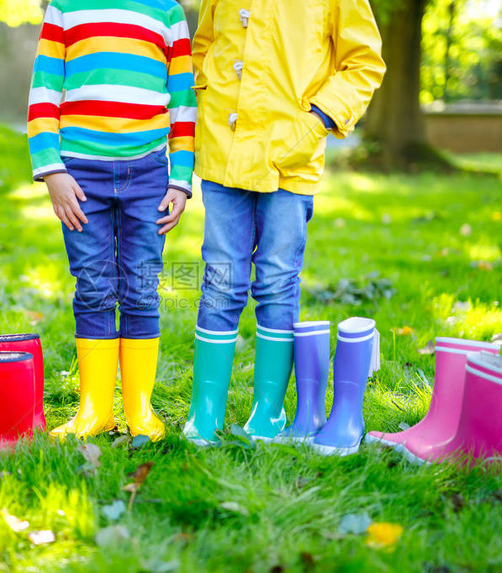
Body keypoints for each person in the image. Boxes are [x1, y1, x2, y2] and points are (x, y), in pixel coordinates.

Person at [183, 0, 386, 445]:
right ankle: (206, 411)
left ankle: (268, 413)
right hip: (222, 151)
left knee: (277, 278)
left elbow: (364, 61)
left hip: (291, 156)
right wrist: (207, 103)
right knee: (220, 277)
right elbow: (205, 48)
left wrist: (316, 122)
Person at [27, 0, 196, 441]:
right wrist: (52, 169)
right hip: (79, 175)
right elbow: (44, 91)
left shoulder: (167, 13)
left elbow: (182, 103)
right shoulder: (65, 7)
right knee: (94, 285)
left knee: (141, 286)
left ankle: (139, 408)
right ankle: (95, 409)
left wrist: (180, 179)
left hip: (149, 173)